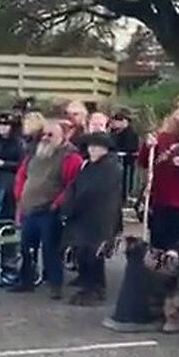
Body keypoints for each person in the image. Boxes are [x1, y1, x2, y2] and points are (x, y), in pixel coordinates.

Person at [12, 118, 84, 298]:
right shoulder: (33, 154)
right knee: (26, 248)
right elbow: (22, 176)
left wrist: (57, 204)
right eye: (43, 134)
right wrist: (20, 197)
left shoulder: (70, 158)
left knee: (51, 250)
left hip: (49, 210)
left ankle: (55, 285)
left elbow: (71, 185)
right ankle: (26, 281)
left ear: (63, 136)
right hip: (29, 207)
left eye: (50, 134)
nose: (45, 137)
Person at [59, 131, 124, 306]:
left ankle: (95, 289)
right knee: (83, 252)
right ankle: (87, 285)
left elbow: (91, 192)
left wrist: (71, 206)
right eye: (91, 146)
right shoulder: (89, 166)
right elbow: (75, 186)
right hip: (84, 217)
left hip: (99, 219)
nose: (93, 150)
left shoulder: (110, 168)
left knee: (93, 254)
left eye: (97, 147)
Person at [136, 95, 179, 251]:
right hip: (162, 201)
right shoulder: (164, 137)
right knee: (159, 246)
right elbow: (144, 161)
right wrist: (148, 145)